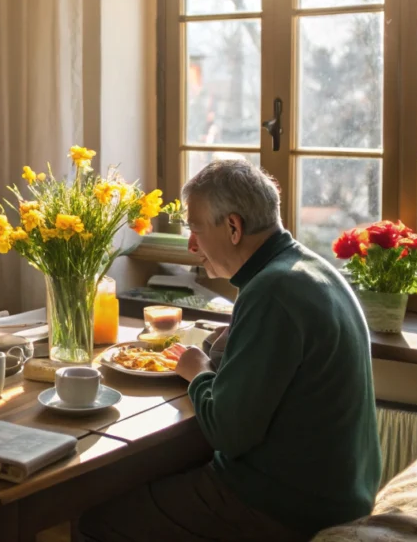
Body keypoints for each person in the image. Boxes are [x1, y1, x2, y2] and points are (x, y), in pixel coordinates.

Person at [80, 159, 381, 542]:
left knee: (96, 521)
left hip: (287, 508)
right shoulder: (309, 269)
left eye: (196, 229)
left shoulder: (271, 292)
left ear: (234, 227)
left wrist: (198, 370)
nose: (191, 245)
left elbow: (228, 432)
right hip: (342, 493)